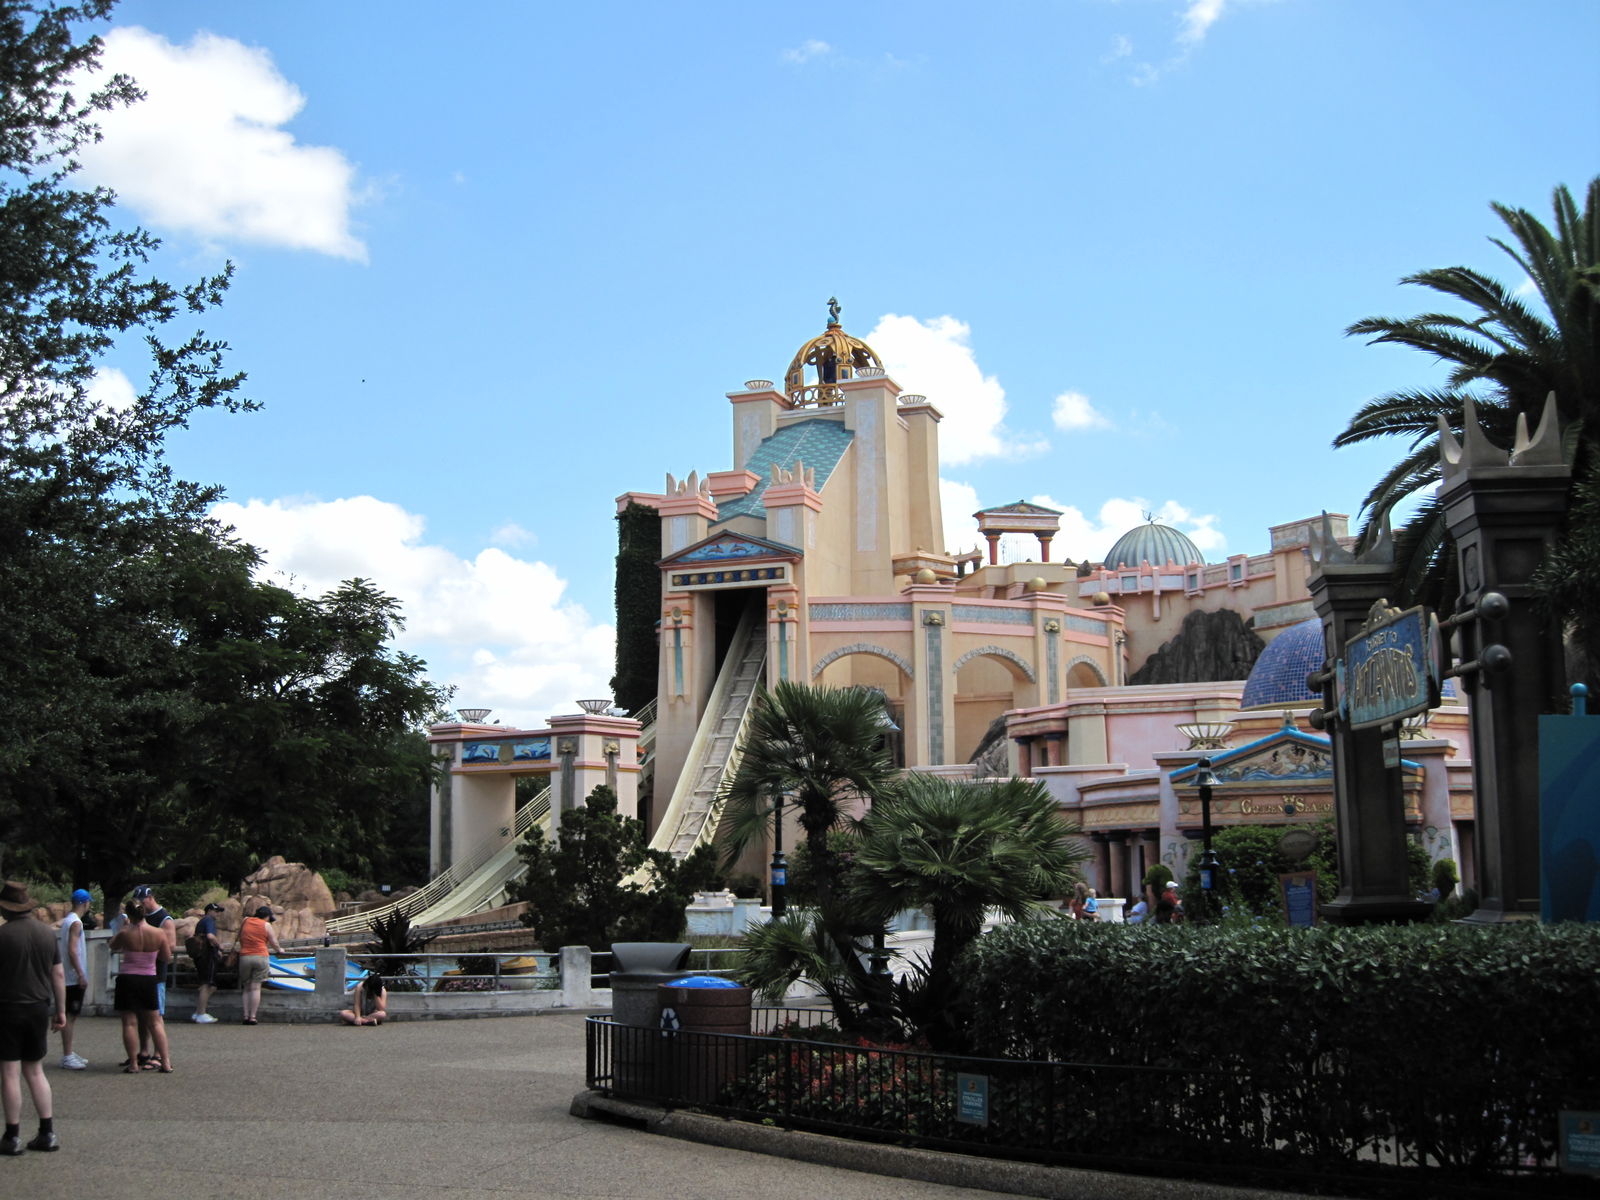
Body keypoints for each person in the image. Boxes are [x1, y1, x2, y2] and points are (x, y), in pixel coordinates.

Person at [0, 880, 65, 1153]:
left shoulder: (3, 935)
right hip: (39, 1007)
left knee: (9, 1072)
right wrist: (60, 1010)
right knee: (35, 1070)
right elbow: (58, 974)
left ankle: (12, 1136)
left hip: (7, 1008)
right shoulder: (47, 934)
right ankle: (47, 1132)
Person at [109, 905, 172, 1073]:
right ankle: (165, 1062)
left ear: (129, 914)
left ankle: (133, 1064)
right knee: (155, 1022)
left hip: (128, 978)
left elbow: (112, 945)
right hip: (149, 978)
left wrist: (123, 928)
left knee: (129, 1023)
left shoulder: (125, 933)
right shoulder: (158, 933)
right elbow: (166, 957)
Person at [132, 885, 175, 1060]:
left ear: (150, 898)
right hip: (139, 973)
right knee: (141, 1015)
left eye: (142, 902)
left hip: (156, 973)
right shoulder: (139, 917)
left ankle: (158, 1054)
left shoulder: (164, 918)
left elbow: (170, 947)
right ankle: (143, 1050)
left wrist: (147, 948)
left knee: (156, 1015)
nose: (140, 905)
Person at [56, 889, 91, 1069]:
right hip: (72, 977)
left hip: (68, 976)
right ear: (85, 903)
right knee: (70, 1015)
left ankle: (69, 1052)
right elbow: (72, 950)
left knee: (71, 1015)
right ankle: (67, 1055)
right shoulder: (76, 923)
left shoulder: (68, 920)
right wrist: (80, 974)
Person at [235, 905, 281, 1025]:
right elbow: (274, 942)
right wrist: (280, 950)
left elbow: (239, 936)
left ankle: (245, 1016)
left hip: (245, 956)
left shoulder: (245, 920)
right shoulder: (266, 925)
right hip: (260, 956)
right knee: (256, 988)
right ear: (267, 916)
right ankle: (253, 1017)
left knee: (246, 987)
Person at [191, 903, 225, 1024]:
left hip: (200, 956)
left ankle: (198, 1012)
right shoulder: (209, 920)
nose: (218, 914)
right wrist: (219, 946)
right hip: (207, 956)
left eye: (219, 911)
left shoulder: (202, 922)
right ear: (209, 911)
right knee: (207, 985)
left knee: (209, 985)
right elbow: (210, 936)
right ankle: (201, 1013)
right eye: (216, 911)